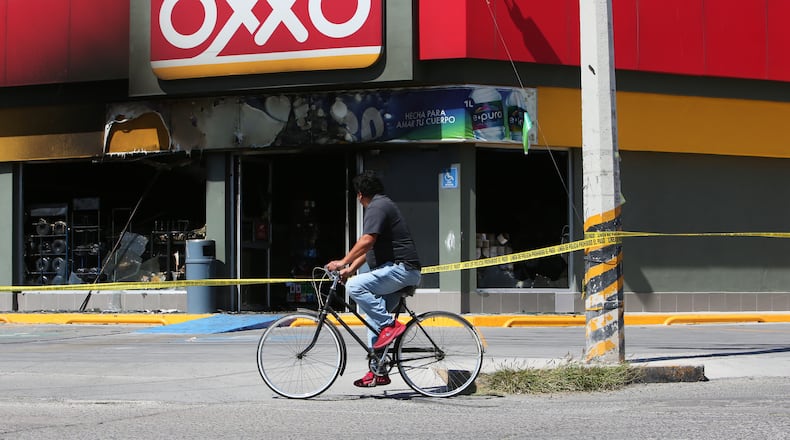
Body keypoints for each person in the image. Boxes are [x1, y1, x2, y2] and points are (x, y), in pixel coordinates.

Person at [326, 170, 421, 387]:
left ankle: (390, 325)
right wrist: (349, 268)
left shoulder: (377, 207)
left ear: (360, 195)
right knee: (372, 317)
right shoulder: (382, 204)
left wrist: (342, 262)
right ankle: (377, 370)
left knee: (355, 287)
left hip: (401, 269)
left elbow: (367, 240)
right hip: (399, 271)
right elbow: (369, 251)